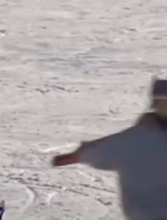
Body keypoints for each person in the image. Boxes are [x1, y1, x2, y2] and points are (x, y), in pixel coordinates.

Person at [51, 79, 167, 220]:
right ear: (155, 105)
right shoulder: (138, 138)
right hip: (146, 212)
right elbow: (108, 148)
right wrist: (78, 156)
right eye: (163, 103)